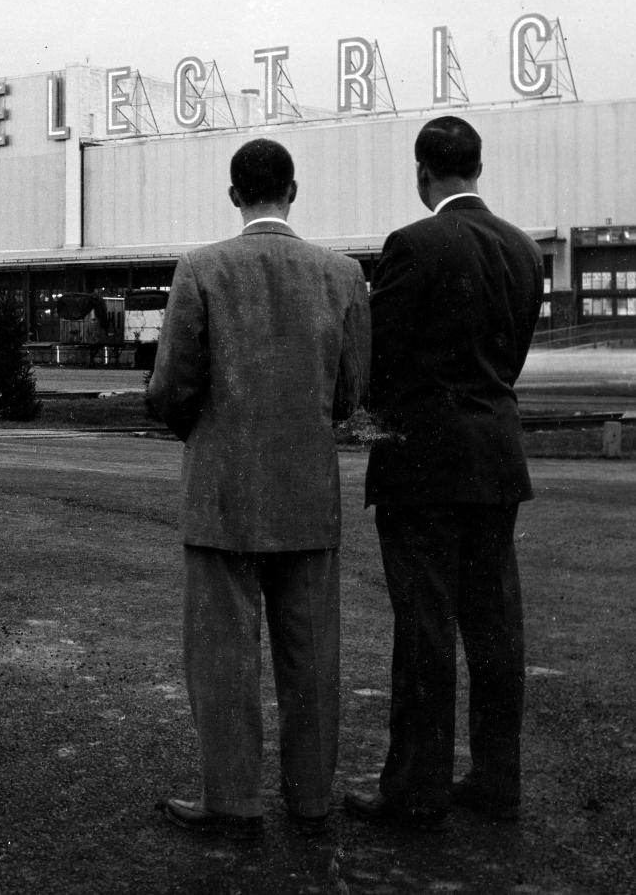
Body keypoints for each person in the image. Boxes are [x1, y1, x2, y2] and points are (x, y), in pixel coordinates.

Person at [148, 138, 370, 840]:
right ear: (293, 190)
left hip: (222, 493)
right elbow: (351, 391)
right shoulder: (342, 275)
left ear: (234, 194)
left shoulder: (202, 269)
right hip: (308, 490)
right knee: (311, 658)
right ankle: (309, 801)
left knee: (222, 654)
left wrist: (200, 428)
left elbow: (173, 385)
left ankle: (232, 801)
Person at [344, 116, 544, 831]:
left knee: (425, 628)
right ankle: (496, 780)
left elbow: (379, 355)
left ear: (423, 172)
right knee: (494, 629)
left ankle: (415, 790)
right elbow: (511, 355)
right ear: (477, 166)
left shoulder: (415, 244)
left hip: (424, 460)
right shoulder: (524, 250)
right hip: (496, 454)